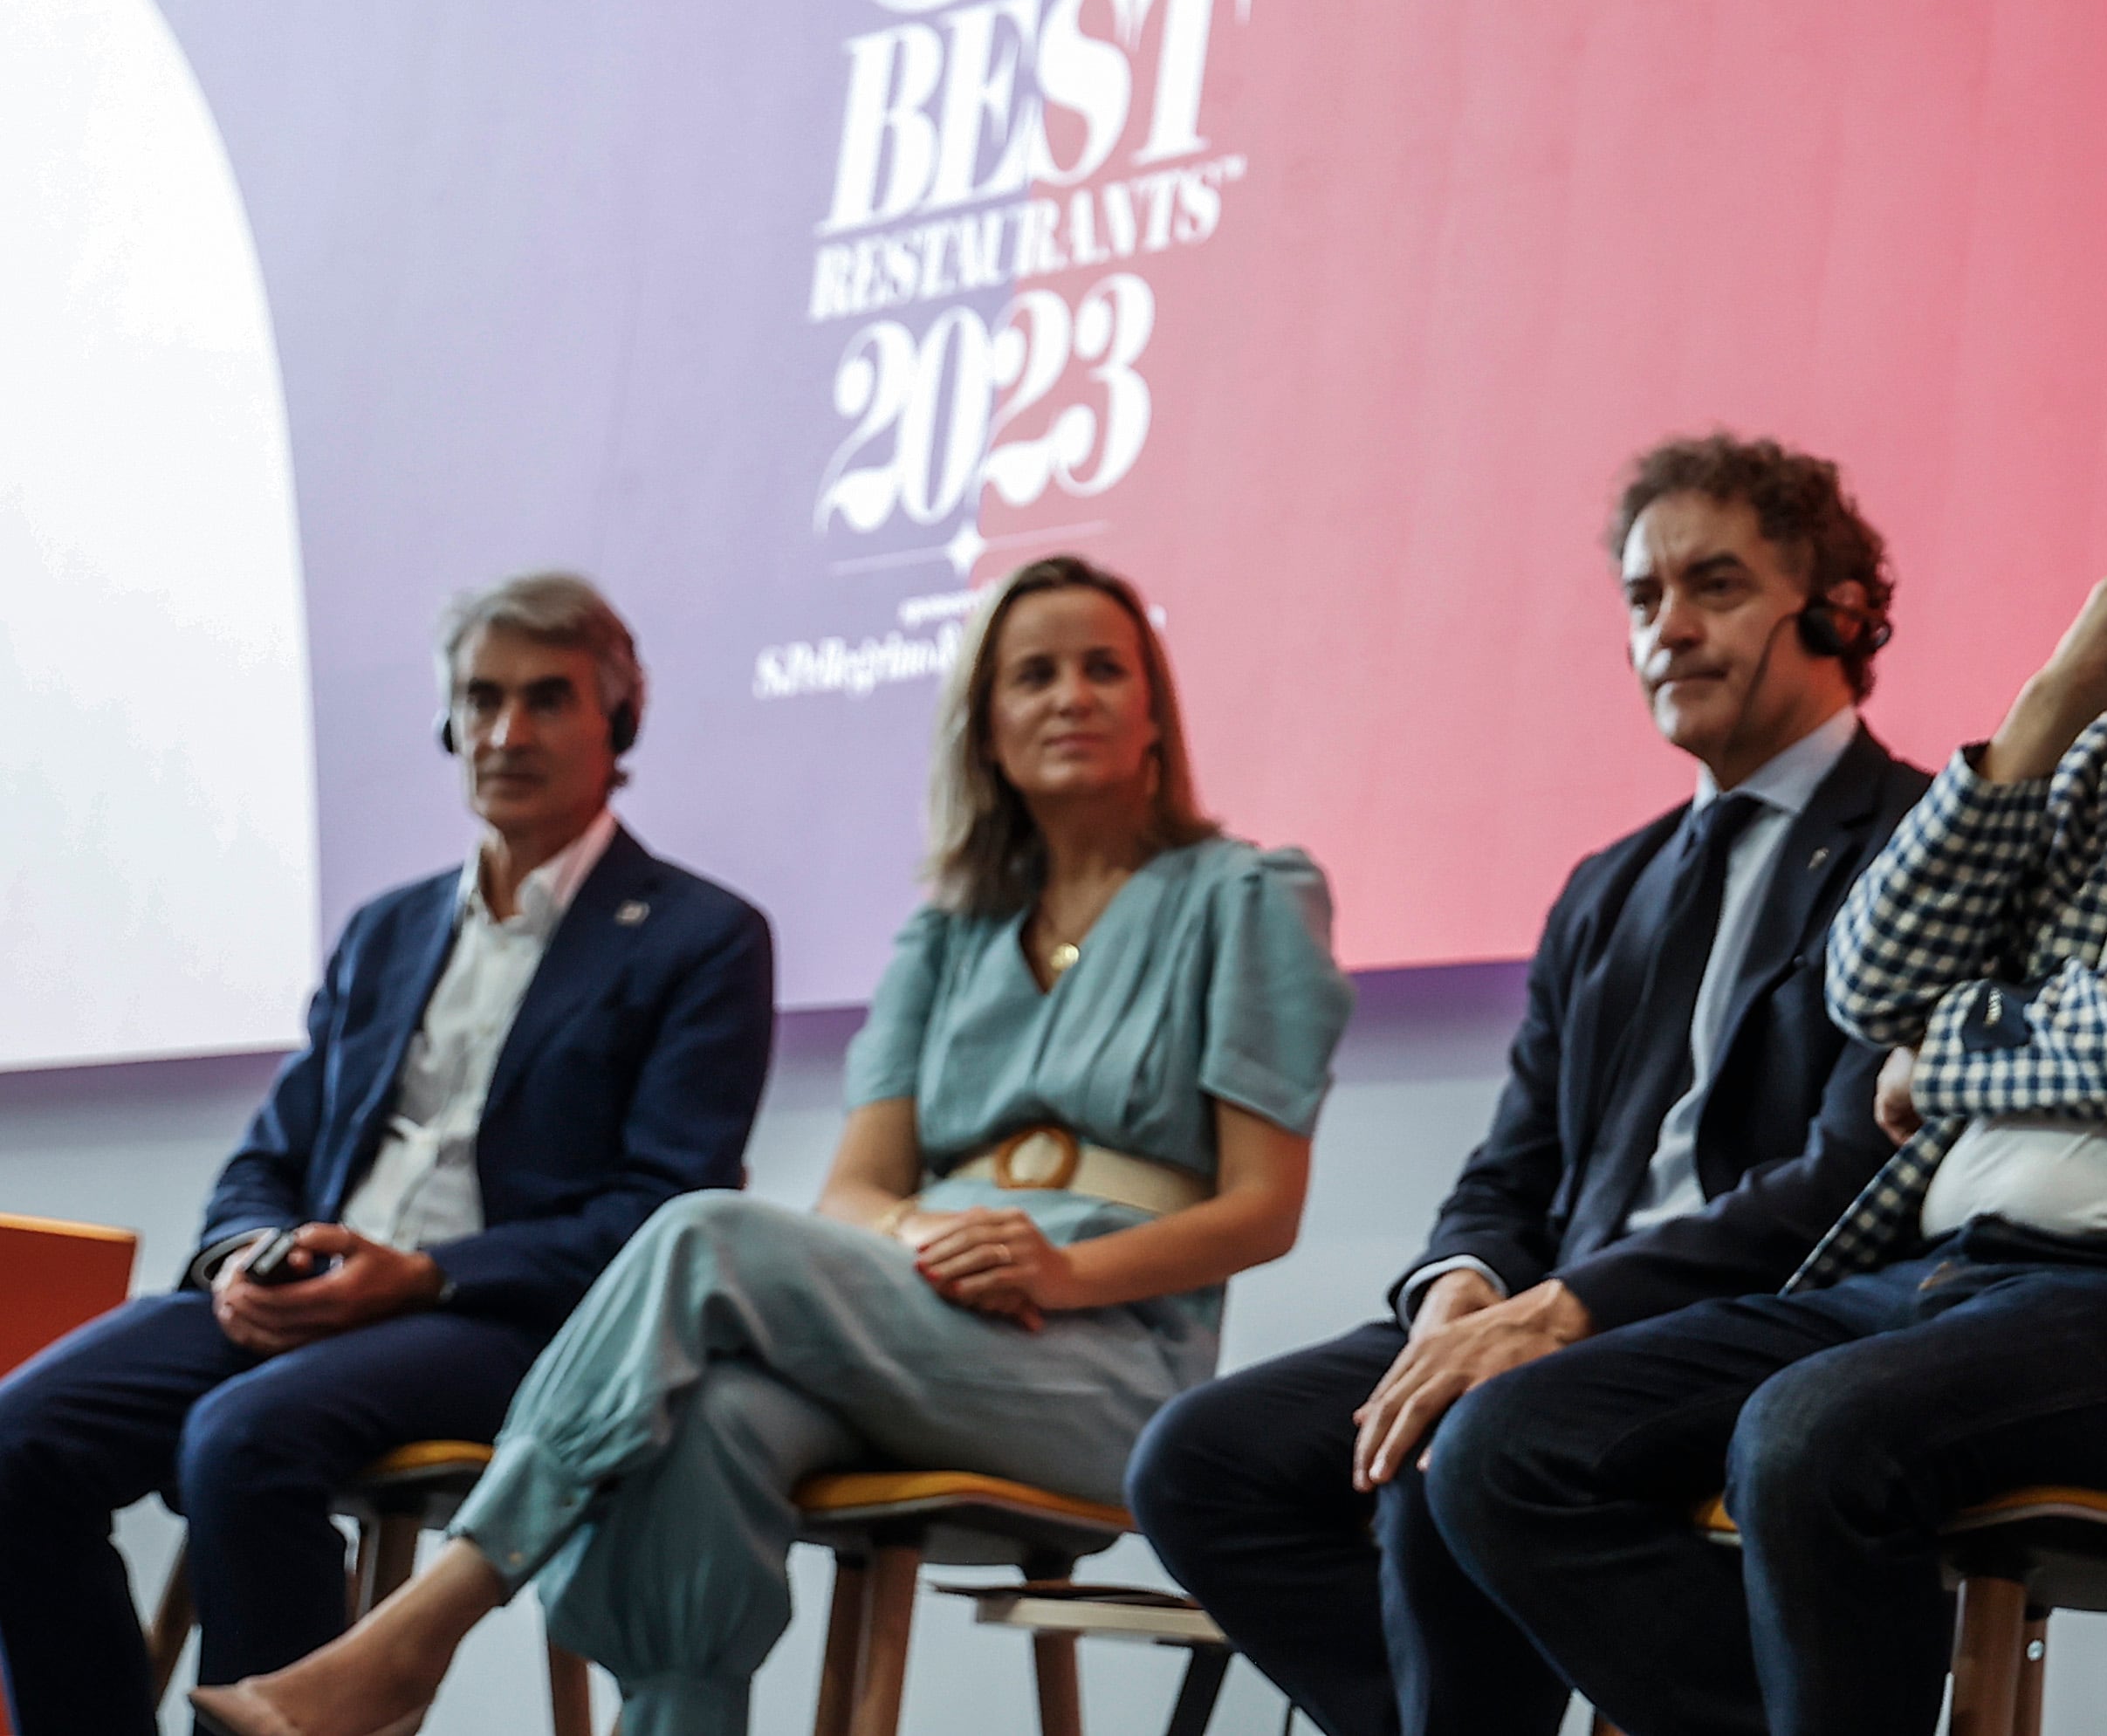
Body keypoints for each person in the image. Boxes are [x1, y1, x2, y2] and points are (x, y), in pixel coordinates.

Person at [1426, 295, 2107, 1736]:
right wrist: (2045, 705)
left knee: (1811, 1437)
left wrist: (1949, 1054)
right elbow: (1868, 980)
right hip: (1930, 1273)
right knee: (1503, 1445)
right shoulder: (2100, 751)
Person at [189, 552, 1354, 1736]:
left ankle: (424, 1626)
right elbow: (860, 1189)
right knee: (706, 1427)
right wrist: (924, 1238)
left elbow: (1263, 1207)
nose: (1071, 696)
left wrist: (1058, 1267)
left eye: (1105, 668)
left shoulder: (1247, 895)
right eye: (1033, 674)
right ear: (986, 727)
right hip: (925, 1302)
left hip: (1107, 1363)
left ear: (1153, 710)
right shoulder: (945, 931)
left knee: (698, 1232)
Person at [1127, 436, 1931, 1736]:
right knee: (1199, 1463)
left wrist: (1563, 1311)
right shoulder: (1608, 884)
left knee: (1459, 1443)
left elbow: (1857, 1174)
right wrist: (1464, 1291)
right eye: (1641, 597)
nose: (1668, 625)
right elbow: (1510, 1168)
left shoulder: (1919, 840)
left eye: (1712, 584)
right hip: (1547, 1314)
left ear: (1835, 607)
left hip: (1759, 1314)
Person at [0, 575, 773, 1736]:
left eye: (548, 699)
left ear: (619, 723)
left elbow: (664, 1212)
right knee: (16, 1443)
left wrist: (424, 1273)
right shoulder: (389, 927)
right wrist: (246, 1255)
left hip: (507, 1317)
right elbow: (270, 1153)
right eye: (482, 699)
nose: (507, 732)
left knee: (245, 1437)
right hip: (309, 1294)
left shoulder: (699, 936)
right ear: (448, 724)